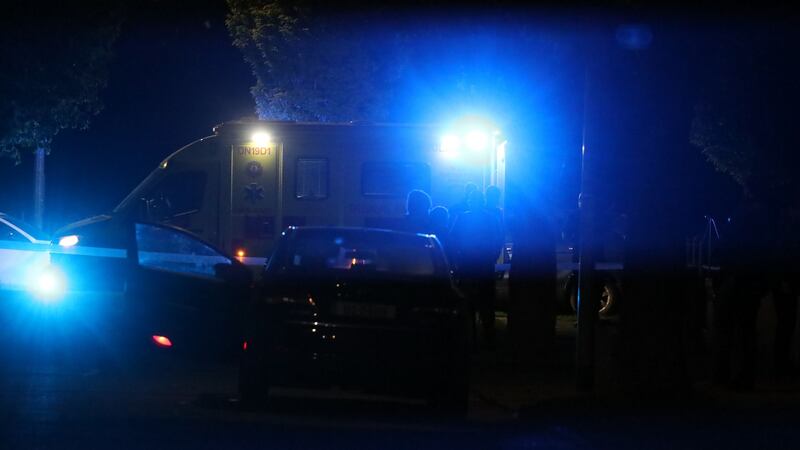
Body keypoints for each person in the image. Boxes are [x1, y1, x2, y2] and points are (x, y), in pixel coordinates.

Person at [450, 190, 504, 348]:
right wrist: (491, 257)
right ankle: (487, 338)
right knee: (486, 303)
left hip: (468, 265)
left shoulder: (462, 218)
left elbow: (452, 239)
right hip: (483, 265)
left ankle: (470, 338)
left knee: (469, 304)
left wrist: (457, 261)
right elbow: (498, 240)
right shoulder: (491, 218)